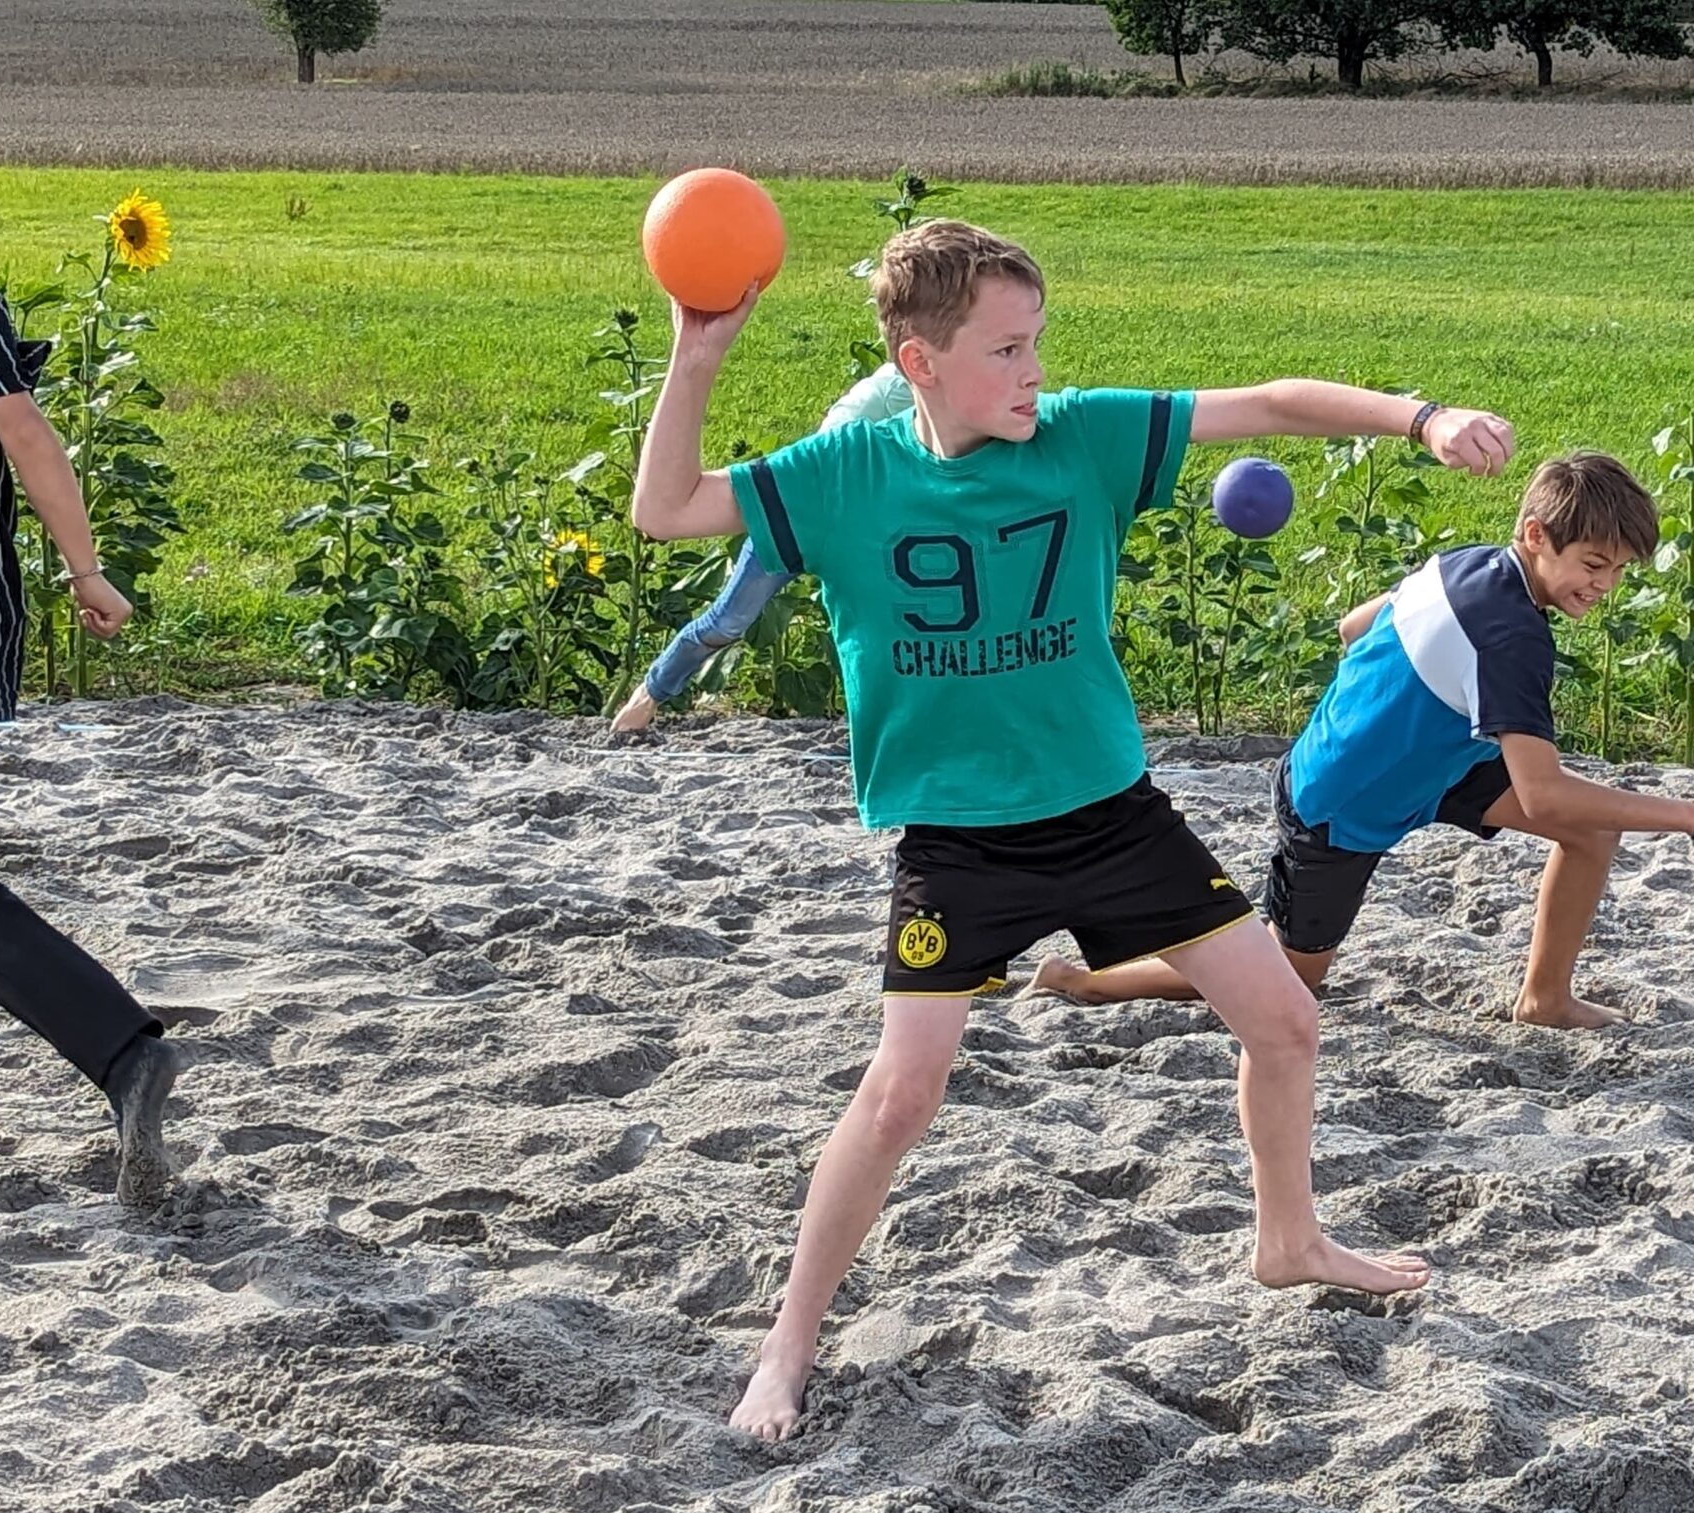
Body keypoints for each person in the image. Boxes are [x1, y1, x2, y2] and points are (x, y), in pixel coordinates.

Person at [629, 218, 1514, 1442]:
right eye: (1005, 349)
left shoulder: (1081, 435)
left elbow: (1267, 403)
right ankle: (786, 1346)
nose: (1033, 370)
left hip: (1112, 818)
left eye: (1037, 341)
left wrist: (1421, 419)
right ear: (920, 360)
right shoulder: (843, 475)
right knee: (899, 1095)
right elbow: (667, 508)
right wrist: (697, 353)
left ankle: (1289, 1238)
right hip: (958, 845)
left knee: (1284, 1020)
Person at [1033, 454, 1694, 1028]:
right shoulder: (1514, 638)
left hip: (1431, 763)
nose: (1605, 585)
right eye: (1595, 565)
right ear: (1536, 536)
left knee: (1590, 835)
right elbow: (1543, 794)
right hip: (1340, 801)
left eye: (1619, 570)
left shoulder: (1468, 563)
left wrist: (1399, 711)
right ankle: (1084, 980)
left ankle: (1545, 998)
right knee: (1291, 981)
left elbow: (1353, 626)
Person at [0, 282, 179, 1210]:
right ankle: (125, 1057)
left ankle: (124, 1052)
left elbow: (24, 435)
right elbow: (26, 434)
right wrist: (85, 570)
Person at [611, 363, 912, 735]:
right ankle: (650, 692)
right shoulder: (898, 390)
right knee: (728, 619)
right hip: (800, 511)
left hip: (864, 524)